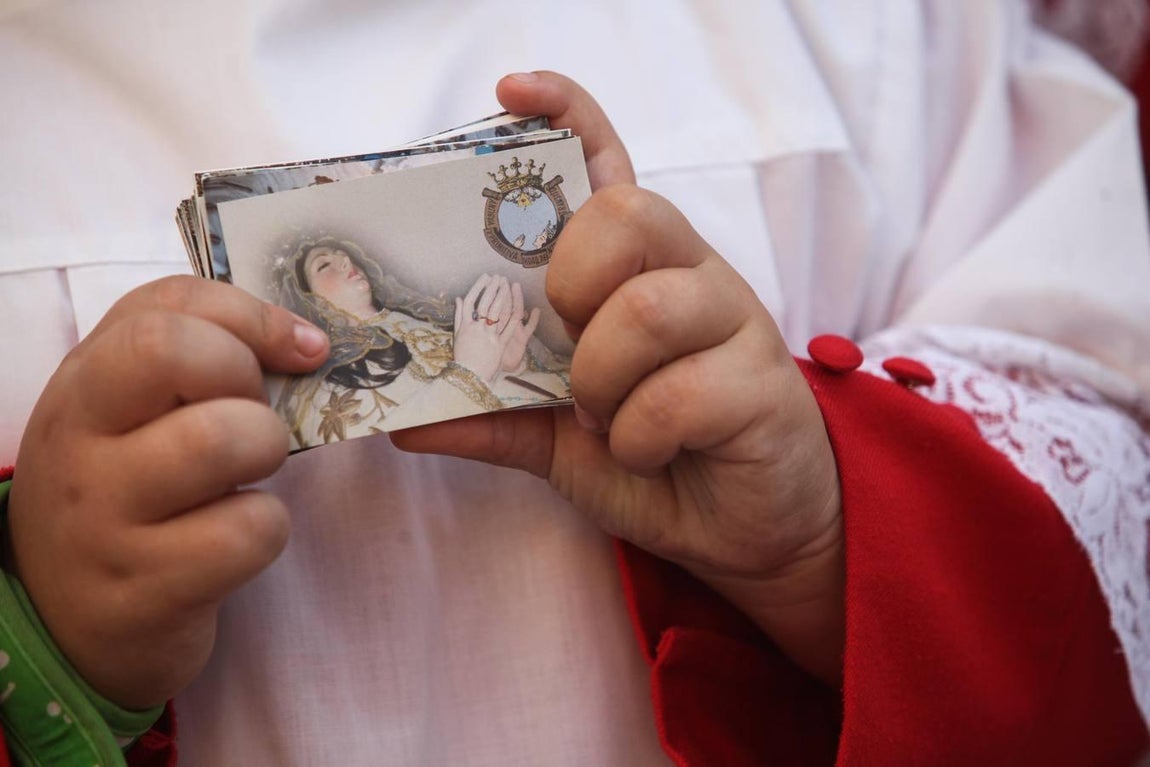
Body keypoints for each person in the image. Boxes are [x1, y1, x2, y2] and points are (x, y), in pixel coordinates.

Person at [0, 2, 1148, 766]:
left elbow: (1089, 387)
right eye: (329, 267)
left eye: (354, 262)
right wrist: (44, 646)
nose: (345, 274)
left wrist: (831, 529)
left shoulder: (872, 31)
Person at [269, 236, 569, 447]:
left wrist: (509, 365)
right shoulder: (327, 379)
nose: (344, 261)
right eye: (324, 265)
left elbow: (494, 395)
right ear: (308, 301)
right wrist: (469, 371)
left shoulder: (427, 317)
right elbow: (376, 441)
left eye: (341, 255)